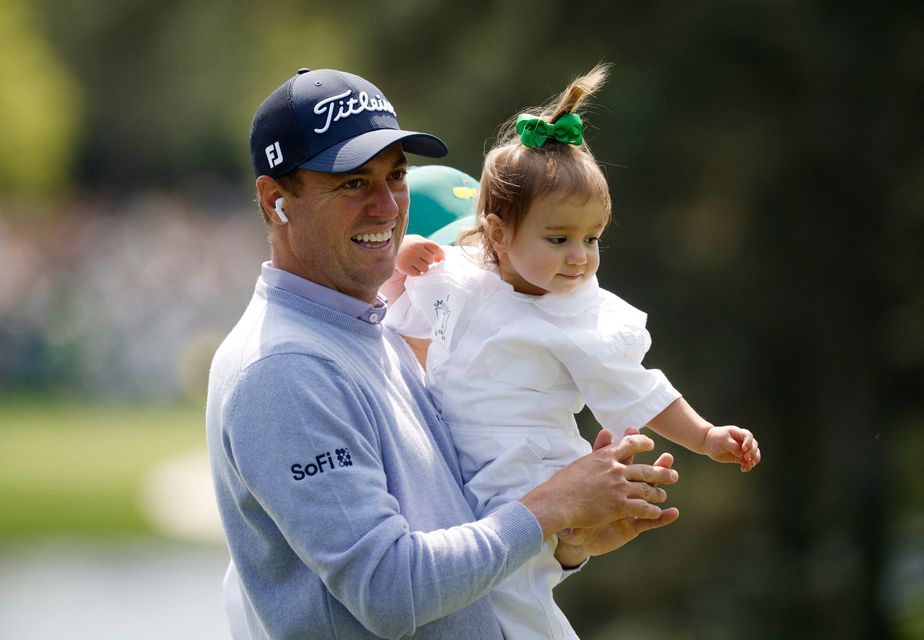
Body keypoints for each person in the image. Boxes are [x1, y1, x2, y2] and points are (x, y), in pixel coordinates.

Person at [206, 66, 681, 640]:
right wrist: (549, 506)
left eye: (396, 176)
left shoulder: (375, 332)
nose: (386, 206)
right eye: (352, 182)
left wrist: (567, 543)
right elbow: (390, 591)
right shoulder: (284, 370)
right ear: (275, 199)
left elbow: (454, 544)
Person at [385, 64, 762, 639]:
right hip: (456, 462)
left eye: (592, 238)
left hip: (524, 471)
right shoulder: (463, 274)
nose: (580, 257)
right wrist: (406, 256)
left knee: (514, 597)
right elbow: (401, 328)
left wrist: (707, 437)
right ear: (497, 234)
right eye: (558, 239)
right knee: (471, 590)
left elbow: (640, 389)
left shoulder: (580, 315)